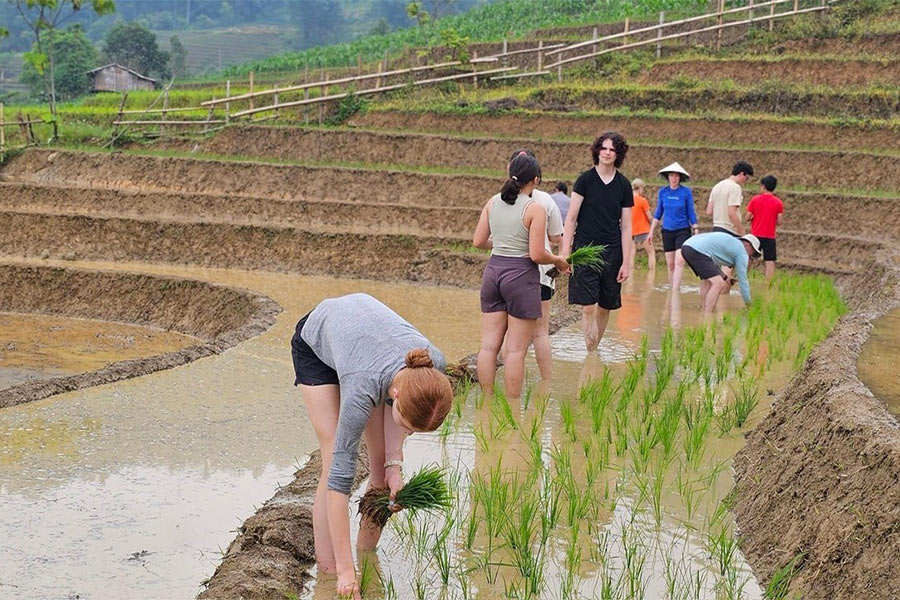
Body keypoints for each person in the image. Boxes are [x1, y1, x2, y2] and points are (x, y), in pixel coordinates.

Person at [291, 293, 454, 599]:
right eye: (406, 426)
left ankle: (367, 555)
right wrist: (345, 571)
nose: (408, 433)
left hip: (368, 345)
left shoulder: (433, 367)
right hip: (318, 343)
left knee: (380, 467)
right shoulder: (362, 387)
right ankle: (329, 574)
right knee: (332, 462)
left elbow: (398, 419)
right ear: (395, 394)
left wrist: (395, 463)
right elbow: (340, 484)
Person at [473, 153, 569, 400]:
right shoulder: (533, 208)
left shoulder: (492, 202)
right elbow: (537, 254)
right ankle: (513, 408)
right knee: (515, 350)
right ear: (535, 180)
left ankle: (487, 400)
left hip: (493, 272)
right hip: (520, 275)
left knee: (488, 346)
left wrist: (504, 242)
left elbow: (478, 241)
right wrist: (558, 260)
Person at [561, 131, 634, 354]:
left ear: (618, 154)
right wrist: (565, 254)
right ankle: (590, 350)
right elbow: (571, 218)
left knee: (605, 306)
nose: (607, 153)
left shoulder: (623, 185)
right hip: (585, 248)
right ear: (597, 151)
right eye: (604, 148)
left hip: (612, 251)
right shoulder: (585, 180)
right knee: (588, 306)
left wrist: (626, 262)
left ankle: (593, 350)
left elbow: (627, 226)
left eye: (612, 149)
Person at [501, 149, 565, 382]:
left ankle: (507, 382)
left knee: (509, 333)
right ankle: (546, 382)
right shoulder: (544, 200)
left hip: (505, 275)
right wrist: (559, 259)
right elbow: (557, 237)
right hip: (539, 275)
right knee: (540, 332)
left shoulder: (499, 200)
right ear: (536, 178)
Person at [676, 232, 762, 311]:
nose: (750, 256)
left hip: (686, 247)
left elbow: (712, 263)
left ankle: (703, 309)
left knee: (707, 280)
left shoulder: (731, 243)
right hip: (697, 250)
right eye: (753, 252)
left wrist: (724, 277)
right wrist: (749, 305)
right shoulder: (742, 251)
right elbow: (743, 282)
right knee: (718, 283)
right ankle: (708, 313)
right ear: (748, 245)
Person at [647, 162, 698, 290]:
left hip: (683, 230)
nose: (674, 178)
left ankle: (675, 290)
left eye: (676, 176)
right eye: (671, 176)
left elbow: (691, 211)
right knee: (670, 264)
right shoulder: (663, 192)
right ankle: (673, 287)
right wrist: (651, 231)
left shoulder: (686, 192)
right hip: (667, 231)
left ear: (680, 178)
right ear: (668, 177)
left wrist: (695, 228)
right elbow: (659, 212)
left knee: (679, 260)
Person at [746, 174, 784, 280]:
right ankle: (768, 285)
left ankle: (741, 279)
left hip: (755, 235)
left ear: (763, 186)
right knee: (770, 261)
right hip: (769, 236)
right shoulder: (778, 203)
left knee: (749, 259)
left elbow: (747, 217)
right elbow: (780, 222)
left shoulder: (755, 200)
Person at [706, 161, 754, 236]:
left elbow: (709, 211)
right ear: (742, 174)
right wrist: (741, 230)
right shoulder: (735, 188)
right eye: (746, 178)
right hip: (729, 230)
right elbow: (731, 212)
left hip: (716, 228)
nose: (745, 181)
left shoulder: (717, 186)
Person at [628, 178, 656, 272]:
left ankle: (630, 277)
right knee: (651, 253)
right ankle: (651, 274)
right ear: (640, 188)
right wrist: (652, 223)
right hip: (643, 230)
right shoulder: (642, 200)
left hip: (631, 230)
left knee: (631, 254)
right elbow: (649, 216)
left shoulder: (627, 200)